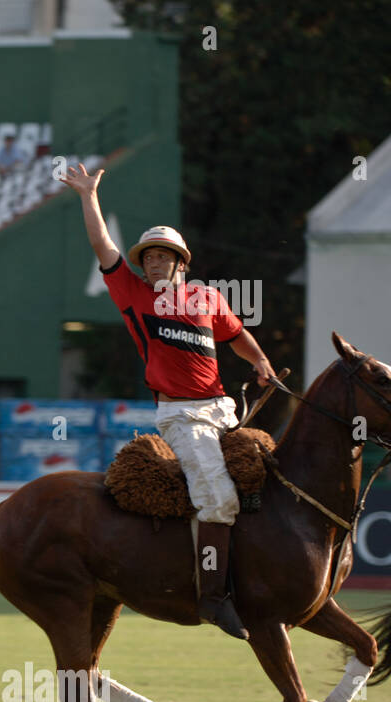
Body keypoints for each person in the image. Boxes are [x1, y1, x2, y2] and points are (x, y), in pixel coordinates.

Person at [63, 162, 277, 640]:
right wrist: (88, 195)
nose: (154, 264)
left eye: (164, 257)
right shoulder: (133, 294)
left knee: (264, 482)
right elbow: (104, 247)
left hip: (223, 409)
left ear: (182, 263)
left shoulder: (207, 298)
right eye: (150, 258)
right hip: (180, 415)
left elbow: (238, 335)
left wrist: (260, 363)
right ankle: (213, 598)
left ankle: (257, 579)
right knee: (218, 499)